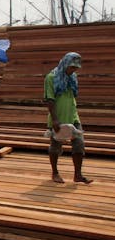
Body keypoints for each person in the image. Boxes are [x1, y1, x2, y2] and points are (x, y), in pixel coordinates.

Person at [44, 52, 92, 184]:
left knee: (79, 144)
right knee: (56, 146)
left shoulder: (73, 77)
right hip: (58, 117)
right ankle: (55, 173)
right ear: (65, 64)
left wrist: (74, 114)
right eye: (72, 67)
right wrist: (54, 119)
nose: (74, 70)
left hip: (73, 116)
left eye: (76, 68)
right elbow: (49, 100)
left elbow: (72, 98)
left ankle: (78, 175)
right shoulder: (51, 77)